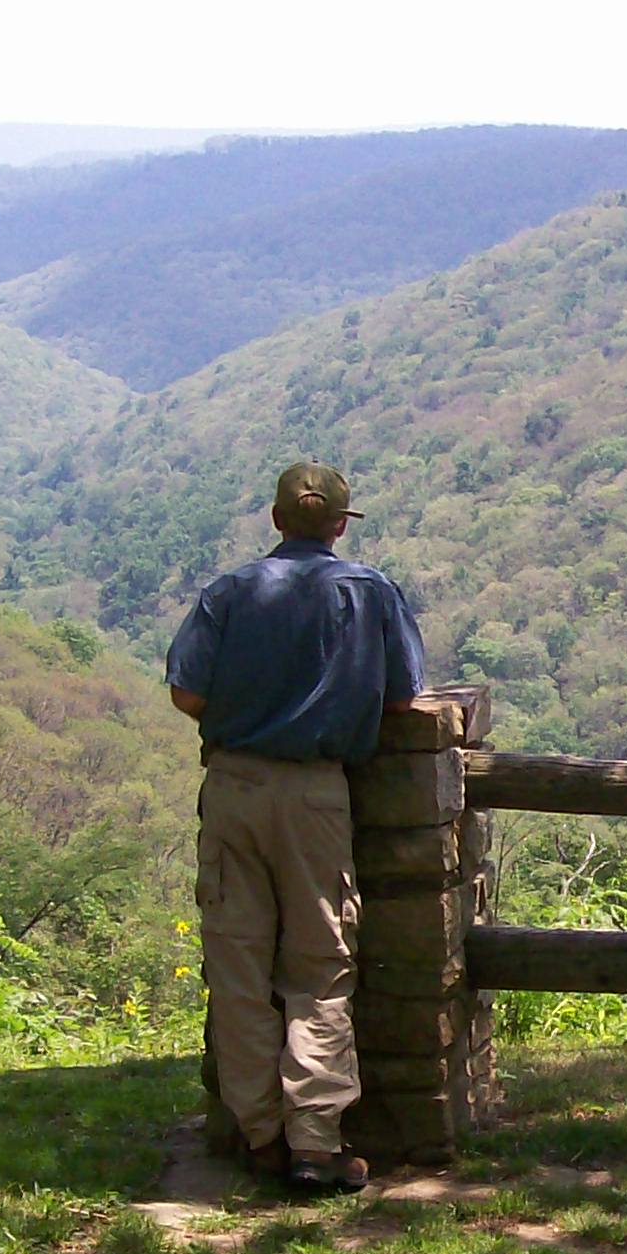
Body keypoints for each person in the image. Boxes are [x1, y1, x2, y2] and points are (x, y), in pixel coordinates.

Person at [165, 461, 427, 1195]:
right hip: (317, 793)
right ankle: (316, 1142)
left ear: (277, 520)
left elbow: (187, 690)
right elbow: (406, 699)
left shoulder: (231, 591)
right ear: (340, 525)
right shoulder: (371, 592)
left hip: (235, 788)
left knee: (239, 967)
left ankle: (259, 1137)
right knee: (319, 968)